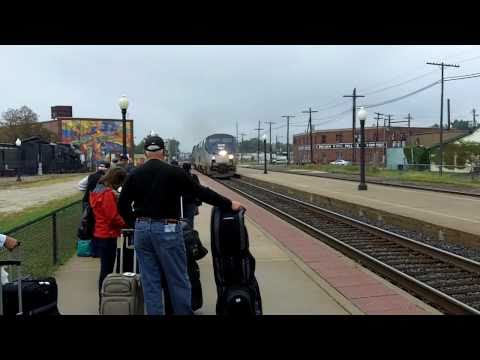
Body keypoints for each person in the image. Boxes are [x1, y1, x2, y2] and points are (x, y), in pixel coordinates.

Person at [118, 135, 243, 315]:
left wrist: (136, 223)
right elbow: (201, 192)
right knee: (177, 279)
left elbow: (122, 205)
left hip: (143, 231)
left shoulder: (134, 174)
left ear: (145, 153)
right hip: (167, 229)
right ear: (163, 152)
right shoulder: (174, 172)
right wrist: (228, 203)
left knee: (150, 281)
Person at [89, 167, 128, 297]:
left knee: (105, 268)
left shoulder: (96, 191)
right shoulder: (107, 194)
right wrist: (126, 223)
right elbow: (112, 216)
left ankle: (103, 297)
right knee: (107, 270)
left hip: (100, 232)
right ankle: (104, 297)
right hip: (108, 233)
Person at [78, 161, 111, 257]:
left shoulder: (91, 176)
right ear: (107, 169)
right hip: (98, 204)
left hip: (87, 202)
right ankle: (97, 250)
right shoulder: (106, 178)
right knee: (98, 225)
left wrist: (87, 191)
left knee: (88, 224)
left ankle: (90, 249)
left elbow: (80, 185)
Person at [181, 162, 201, 229]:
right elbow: (199, 189)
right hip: (191, 202)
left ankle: (182, 232)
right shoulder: (193, 176)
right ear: (190, 168)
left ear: (182, 168)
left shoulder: (179, 176)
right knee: (190, 219)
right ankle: (190, 233)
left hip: (181, 202)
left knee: (181, 219)